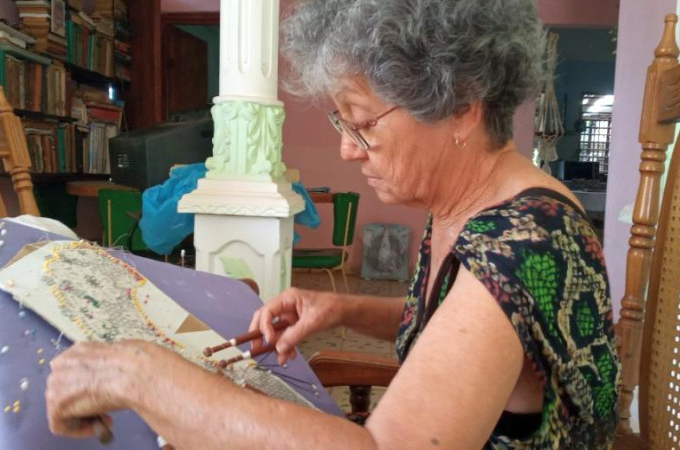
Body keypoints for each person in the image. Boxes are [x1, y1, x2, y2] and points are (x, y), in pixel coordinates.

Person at [45, 0, 620, 448]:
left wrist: (141, 375)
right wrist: (343, 308)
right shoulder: (477, 208)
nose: (348, 150)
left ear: (461, 106)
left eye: (364, 122)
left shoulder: (525, 244)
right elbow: (464, 328)